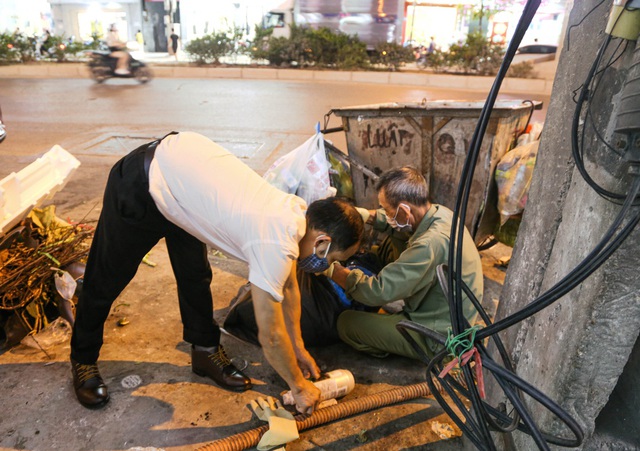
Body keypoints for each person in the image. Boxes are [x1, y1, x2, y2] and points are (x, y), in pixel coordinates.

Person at [70, 131, 364, 413]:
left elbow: (288, 289)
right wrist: (299, 388)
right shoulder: (275, 240)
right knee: (106, 278)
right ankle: (82, 358)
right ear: (323, 241)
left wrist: (298, 346)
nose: (326, 267)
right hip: (144, 183)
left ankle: (205, 351)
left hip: (184, 186)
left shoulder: (297, 215)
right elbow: (271, 335)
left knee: (195, 275)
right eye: (332, 259)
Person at [329, 166, 483, 360]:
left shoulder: (428, 244)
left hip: (439, 338)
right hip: (448, 313)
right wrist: (367, 215)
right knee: (387, 247)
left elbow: (377, 291)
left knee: (346, 323)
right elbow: (398, 224)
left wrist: (332, 270)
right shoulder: (441, 213)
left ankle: (404, 347)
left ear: (404, 209)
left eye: (387, 209)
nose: (385, 213)